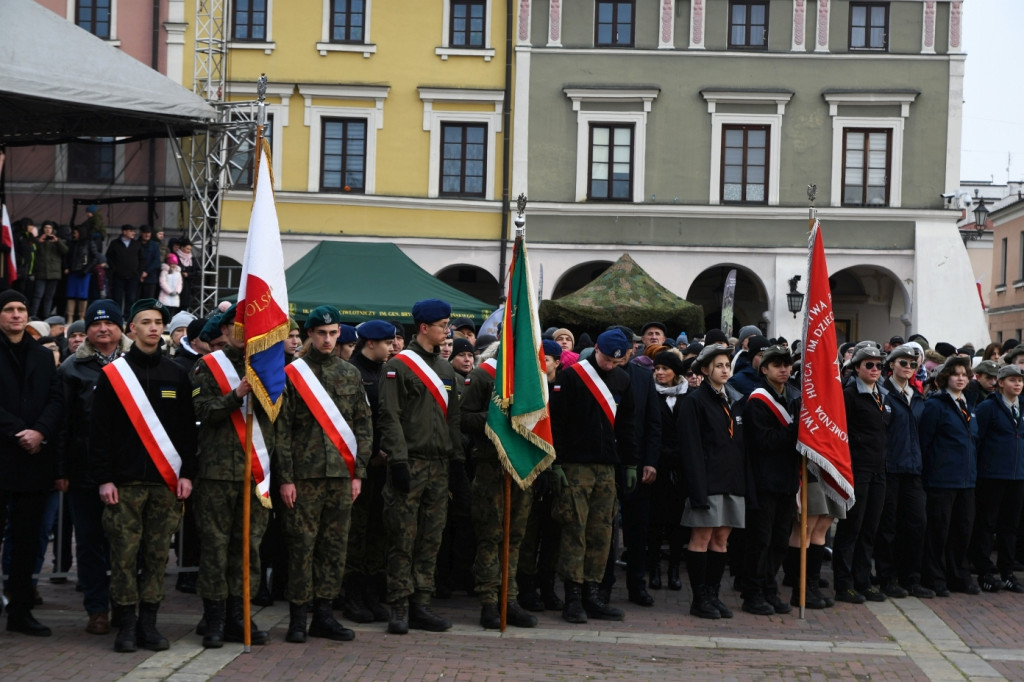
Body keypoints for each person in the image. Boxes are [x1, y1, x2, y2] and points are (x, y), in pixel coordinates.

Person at [90, 298, 197, 652]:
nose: (153, 328)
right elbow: (100, 432)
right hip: (125, 483)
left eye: (158, 322)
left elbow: (186, 432)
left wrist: (187, 474)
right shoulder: (114, 375)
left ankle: (149, 624)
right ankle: (126, 624)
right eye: (146, 322)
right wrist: (105, 478)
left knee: (155, 556)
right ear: (131, 329)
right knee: (122, 556)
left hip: (165, 485)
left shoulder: (177, 373)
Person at [275, 305, 373, 644]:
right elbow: (282, 431)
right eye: (322, 334)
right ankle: (298, 618)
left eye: (333, 334)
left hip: (341, 477)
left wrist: (358, 472)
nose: (328, 339)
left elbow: (363, 425)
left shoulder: (349, 374)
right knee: (302, 547)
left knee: (335, 548)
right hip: (304, 477)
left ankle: (325, 615)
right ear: (310, 336)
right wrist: (285, 478)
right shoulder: (291, 374)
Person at [379, 299, 464, 635]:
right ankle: (398, 606)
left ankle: (421, 604)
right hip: (410, 463)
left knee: (430, 538)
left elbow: (453, 420)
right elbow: (390, 416)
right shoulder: (399, 366)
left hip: (440, 466)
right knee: (402, 537)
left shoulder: (446, 371)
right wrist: (398, 460)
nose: (448, 331)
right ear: (424, 327)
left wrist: (457, 461)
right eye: (443, 325)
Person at [191, 305, 274, 648]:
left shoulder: (268, 367)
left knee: (248, 548)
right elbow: (202, 412)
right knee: (215, 548)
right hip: (217, 472)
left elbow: (278, 423)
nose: (244, 333)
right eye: (238, 327)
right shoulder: (207, 365)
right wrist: (236, 394)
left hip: (255, 473)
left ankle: (239, 615)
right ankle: (213, 619)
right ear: (225, 330)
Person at [550, 329, 637, 624]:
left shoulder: (624, 380)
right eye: (605, 359)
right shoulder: (572, 377)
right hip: (576, 465)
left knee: (602, 533)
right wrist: (557, 462)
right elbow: (557, 422)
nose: (610, 365)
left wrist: (631, 464)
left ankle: (593, 594)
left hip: (607, 467)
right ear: (596, 349)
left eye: (617, 361)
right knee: (575, 530)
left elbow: (627, 426)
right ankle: (572, 597)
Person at [58, 299, 130, 635]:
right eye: (96, 324)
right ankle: (97, 609)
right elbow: (62, 423)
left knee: (126, 544)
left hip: (128, 472)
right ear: (86, 330)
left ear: (121, 327)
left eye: (110, 323)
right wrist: (61, 469)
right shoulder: (72, 368)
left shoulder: (136, 363)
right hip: (84, 470)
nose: (104, 329)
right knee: (89, 542)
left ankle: (125, 606)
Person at [461, 337, 538, 629]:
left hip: (521, 467)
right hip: (491, 465)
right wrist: (497, 418)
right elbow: (463, 418)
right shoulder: (482, 375)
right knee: (491, 537)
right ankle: (489, 602)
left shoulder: (531, 379)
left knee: (515, 538)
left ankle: (510, 598)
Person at [0, 289, 63, 637]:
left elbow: (56, 399)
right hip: (4, 454)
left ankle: (21, 611)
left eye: (21, 309)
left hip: (32, 460)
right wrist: (18, 431)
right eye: (8, 309)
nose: (16, 315)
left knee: (27, 542)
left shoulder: (42, 356)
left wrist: (39, 431)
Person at [678, 343, 745, 620]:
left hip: (731, 481)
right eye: (719, 366)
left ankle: (713, 594)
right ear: (705, 370)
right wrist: (697, 490)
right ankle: (699, 597)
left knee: (721, 540)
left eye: (727, 365)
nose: (724, 370)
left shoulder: (734, 399)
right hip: (706, 482)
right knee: (702, 538)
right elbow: (690, 448)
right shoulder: (694, 401)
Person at [339, 320, 396, 624]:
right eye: (387, 343)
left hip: (383, 467)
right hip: (359, 467)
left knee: (378, 531)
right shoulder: (353, 373)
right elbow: (350, 423)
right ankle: (352, 596)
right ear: (370, 343)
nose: (392, 347)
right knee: (356, 534)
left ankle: (372, 594)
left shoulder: (386, 372)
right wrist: (370, 455)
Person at [740, 345, 801, 616]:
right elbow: (764, 442)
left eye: (787, 365)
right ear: (764, 369)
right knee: (760, 540)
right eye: (777, 365)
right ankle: (752, 593)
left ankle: (769, 588)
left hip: (787, 480)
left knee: (779, 541)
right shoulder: (757, 401)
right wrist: (794, 430)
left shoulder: (792, 397)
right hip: (764, 481)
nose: (784, 369)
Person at [874, 344, 933, 599]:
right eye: (903, 363)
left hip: (913, 469)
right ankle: (887, 577)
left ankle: (912, 577)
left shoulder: (918, 396)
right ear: (892, 365)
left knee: (917, 524)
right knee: (888, 527)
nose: (908, 368)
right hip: (890, 468)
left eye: (912, 364)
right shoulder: (882, 393)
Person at [834, 342, 890, 604]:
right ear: (856, 367)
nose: (875, 369)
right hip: (857, 469)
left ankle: (862, 579)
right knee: (851, 527)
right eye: (869, 364)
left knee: (870, 528)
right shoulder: (849, 395)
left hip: (879, 469)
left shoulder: (883, 394)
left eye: (879, 364)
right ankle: (843, 583)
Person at [918, 355, 977, 597]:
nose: (961, 378)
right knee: (938, 531)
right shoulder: (936, 405)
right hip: (941, 479)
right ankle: (934, 577)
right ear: (945, 377)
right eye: (956, 374)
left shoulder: (968, 405)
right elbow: (925, 441)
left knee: (962, 530)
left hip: (967, 480)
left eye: (964, 374)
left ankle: (959, 576)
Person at [517, 339, 565, 613]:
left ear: (557, 362)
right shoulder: (528, 389)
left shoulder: (563, 389)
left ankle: (547, 587)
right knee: (528, 533)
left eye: (546, 359)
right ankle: (527, 587)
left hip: (557, 469)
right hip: (532, 469)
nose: (541, 364)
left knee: (552, 533)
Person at [970, 364, 1024, 594]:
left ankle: (1007, 572)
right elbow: (976, 440)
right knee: (986, 524)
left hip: (1017, 476)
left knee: (1010, 526)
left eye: (1020, 380)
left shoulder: (1022, 407)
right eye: (1012, 380)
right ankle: (985, 572)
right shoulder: (987, 408)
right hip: (991, 476)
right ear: (1000, 383)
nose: (1018, 384)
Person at [647, 350, 688, 593]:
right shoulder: (650, 395)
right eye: (657, 368)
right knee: (655, 522)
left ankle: (674, 569)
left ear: (676, 372)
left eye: (665, 369)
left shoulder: (689, 397)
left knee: (678, 522)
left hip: (682, 468)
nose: (660, 373)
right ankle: (654, 570)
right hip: (657, 466)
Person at [64, 226, 102, 321]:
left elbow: (95, 257)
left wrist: (86, 269)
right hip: (72, 272)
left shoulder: (89, 243)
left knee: (82, 296)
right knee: (70, 295)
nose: (74, 234)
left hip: (84, 273)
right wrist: (67, 267)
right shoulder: (72, 243)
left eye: (76, 232)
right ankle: (70, 317)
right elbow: (67, 256)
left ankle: (81, 317)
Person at [30, 221, 67, 319]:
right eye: (46, 227)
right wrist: (39, 242)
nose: (47, 230)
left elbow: (65, 251)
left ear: (53, 230)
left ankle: (46, 317)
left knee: (49, 297)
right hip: (41, 272)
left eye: (49, 228)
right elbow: (31, 251)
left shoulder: (57, 241)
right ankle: (33, 316)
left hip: (54, 274)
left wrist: (57, 241)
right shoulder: (38, 241)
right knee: (37, 296)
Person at [138, 226, 162, 301]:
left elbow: (157, 261)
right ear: (141, 233)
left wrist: (147, 272)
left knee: (148, 302)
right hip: (136, 277)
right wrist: (140, 273)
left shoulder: (154, 245)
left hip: (151, 278)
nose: (147, 235)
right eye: (145, 233)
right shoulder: (135, 244)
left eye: (149, 233)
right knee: (135, 301)